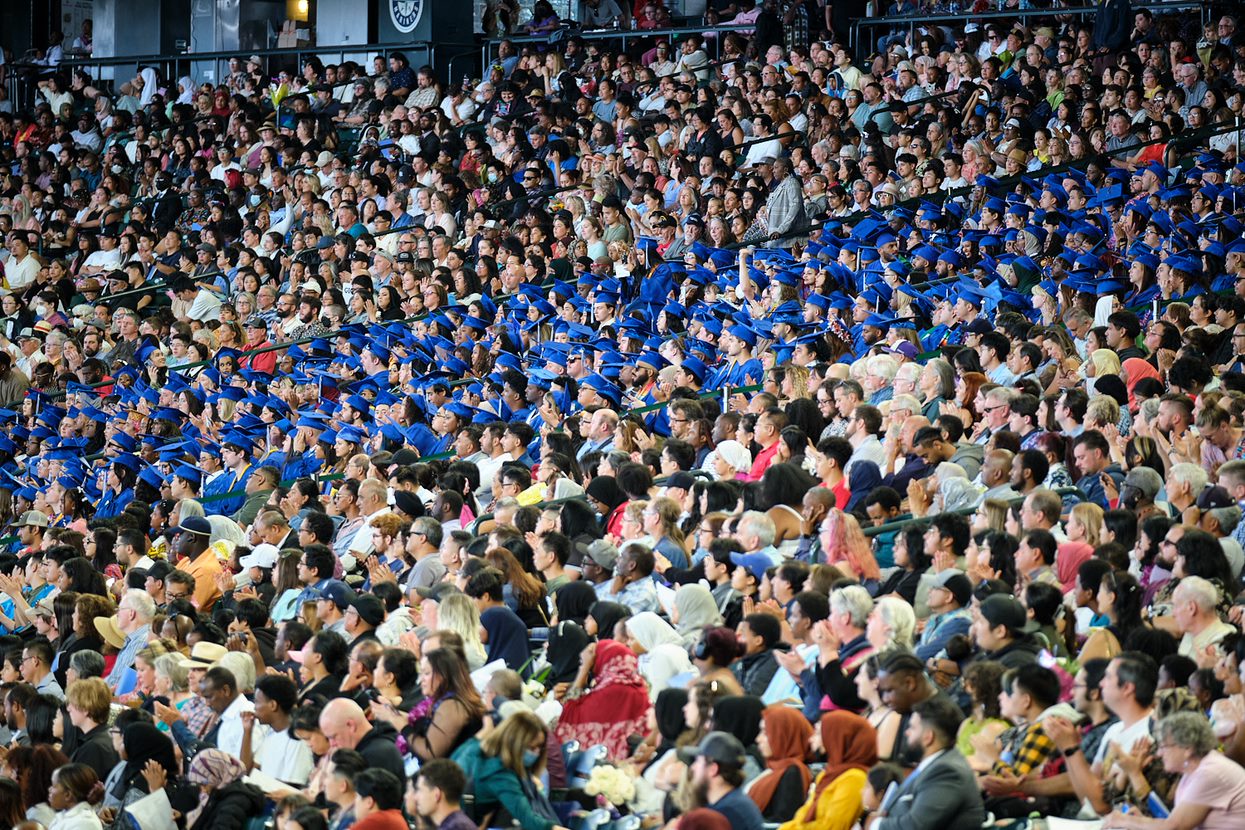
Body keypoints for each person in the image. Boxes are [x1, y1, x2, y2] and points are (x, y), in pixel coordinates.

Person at [873, 696, 984, 830]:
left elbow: (916, 826)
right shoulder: (936, 764)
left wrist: (876, 824)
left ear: (928, 737)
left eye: (912, 728)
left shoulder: (947, 771)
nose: (907, 733)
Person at [453, 709, 570, 830]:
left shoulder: (475, 747)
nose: (536, 752)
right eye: (531, 747)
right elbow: (529, 820)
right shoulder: (501, 776)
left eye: (539, 747)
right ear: (515, 742)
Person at [778, 711, 877, 830]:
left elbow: (833, 827)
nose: (811, 739)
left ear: (837, 738)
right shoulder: (828, 774)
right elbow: (802, 817)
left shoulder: (854, 779)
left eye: (819, 733)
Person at [554, 639, 652, 758]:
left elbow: (570, 714)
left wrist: (584, 669)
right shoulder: (638, 687)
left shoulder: (614, 690)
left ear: (604, 659)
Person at [677, 731, 765, 830]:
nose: (693, 768)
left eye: (698, 761)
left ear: (712, 769)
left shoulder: (726, 814)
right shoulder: (731, 803)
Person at [409, 758, 477, 830]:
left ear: (437, 795)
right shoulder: (458, 824)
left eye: (420, 790)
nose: (415, 797)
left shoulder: (454, 827)